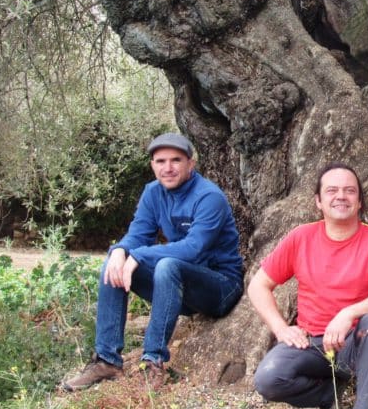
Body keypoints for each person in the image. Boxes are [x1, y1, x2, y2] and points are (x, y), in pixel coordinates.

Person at [61, 132, 244, 391]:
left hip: (220, 288)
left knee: (167, 265)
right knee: (113, 264)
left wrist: (140, 255)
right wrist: (121, 250)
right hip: (180, 288)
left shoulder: (209, 197)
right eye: (160, 161)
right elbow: (138, 234)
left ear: (191, 164)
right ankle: (107, 360)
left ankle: (153, 362)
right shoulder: (153, 193)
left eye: (176, 160)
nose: (167, 168)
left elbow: (194, 248)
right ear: (152, 165)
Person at [249, 163, 368, 409]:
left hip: (355, 342)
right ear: (318, 201)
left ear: (359, 201)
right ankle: (328, 394)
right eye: (332, 191)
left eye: (349, 191)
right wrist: (281, 329)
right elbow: (257, 286)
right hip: (311, 343)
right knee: (268, 379)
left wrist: (347, 314)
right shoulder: (301, 237)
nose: (341, 196)